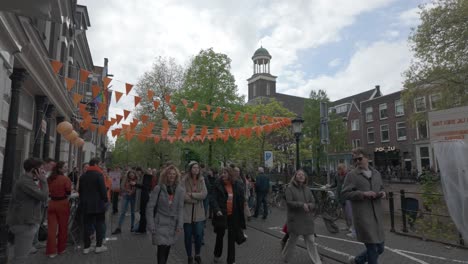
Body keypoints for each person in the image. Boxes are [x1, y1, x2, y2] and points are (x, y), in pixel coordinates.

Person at [342, 148, 386, 264]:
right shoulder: (352, 175)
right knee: (372, 249)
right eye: (355, 160)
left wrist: (383, 193)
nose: (357, 161)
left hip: (377, 217)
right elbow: (345, 193)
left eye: (359, 158)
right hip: (363, 217)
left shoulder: (376, 173)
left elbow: (381, 187)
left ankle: (357, 261)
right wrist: (363, 194)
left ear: (367, 158)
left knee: (380, 248)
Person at [7, 158, 49, 264]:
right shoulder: (25, 182)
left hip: (26, 222)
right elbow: (43, 196)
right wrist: (43, 181)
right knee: (21, 257)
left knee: (22, 254)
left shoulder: (28, 181)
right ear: (34, 170)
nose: (43, 171)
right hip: (24, 223)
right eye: (41, 169)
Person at [146, 165, 185, 264]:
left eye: (174, 174)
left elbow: (180, 208)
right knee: (161, 249)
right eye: (169, 174)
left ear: (176, 176)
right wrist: (151, 224)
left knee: (167, 249)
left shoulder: (180, 190)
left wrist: (180, 224)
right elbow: (150, 207)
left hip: (172, 224)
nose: (172, 176)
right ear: (165, 175)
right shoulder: (158, 188)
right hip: (160, 223)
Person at [282, 169, 322, 264]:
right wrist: (301, 204)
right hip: (295, 220)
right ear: (295, 176)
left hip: (307, 220)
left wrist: (310, 206)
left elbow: (313, 202)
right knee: (292, 242)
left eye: (303, 175)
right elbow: (289, 202)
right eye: (299, 174)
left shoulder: (307, 189)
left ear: (305, 178)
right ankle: (285, 258)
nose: (301, 176)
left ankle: (317, 261)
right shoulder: (290, 188)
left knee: (311, 241)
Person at [211, 167, 246, 264]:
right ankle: (217, 254)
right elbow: (213, 198)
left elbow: (241, 199)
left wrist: (242, 211)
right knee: (220, 235)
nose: (223, 174)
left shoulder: (237, 184)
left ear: (230, 174)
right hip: (222, 214)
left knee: (231, 238)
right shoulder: (217, 184)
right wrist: (217, 209)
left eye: (225, 173)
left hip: (233, 215)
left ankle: (231, 260)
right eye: (222, 173)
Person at [78, 157, 108, 254]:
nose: (101, 166)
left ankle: (86, 247)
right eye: (100, 164)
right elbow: (103, 191)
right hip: (98, 205)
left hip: (86, 205)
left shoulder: (83, 176)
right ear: (95, 164)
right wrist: (105, 200)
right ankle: (98, 246)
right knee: (99, 224)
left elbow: (80, 191)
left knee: (87, 226)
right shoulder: (99, 175)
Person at [182, 161, 207, 264]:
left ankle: (197, 254)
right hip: (187, 212)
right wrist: (197, 198)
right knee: (187, 236)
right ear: (190, 169)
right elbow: (183, 196)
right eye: (194, 168)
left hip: (199, 213)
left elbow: (204, 194)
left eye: (197, 168)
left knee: (198, 235)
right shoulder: (184, 180)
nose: (196, 169)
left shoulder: (202, 180)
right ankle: (189, 256)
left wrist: (192, 195)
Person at [46, 161, 72, 258]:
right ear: (60, 169)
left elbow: (46, 190)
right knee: (63, 227)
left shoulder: (50, 179)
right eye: (65, 167)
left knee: (51, 228)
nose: (67, 168)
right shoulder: (66, 179)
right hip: (62, 204)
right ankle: (61, 248)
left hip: (52, 203)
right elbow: (68, 192)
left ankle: (51, 251)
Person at [112, 170, 138, 234]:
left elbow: (137, 188)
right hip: (126, 196)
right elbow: (122, 186)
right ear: (128, 175)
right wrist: (127, 191)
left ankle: (132, 227)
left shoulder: (137, 180)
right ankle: (119, 228)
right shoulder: (125, 179)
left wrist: (132, 192)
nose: (131, 175)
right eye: (130, 174)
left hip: (133, 197)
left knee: (133, 213)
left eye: (133, 174)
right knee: (123, 212)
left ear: (135, 175)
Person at [135, 167, 154, 234]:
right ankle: (142, 228)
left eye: (138, 172)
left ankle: (142, 229)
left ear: (141, 171)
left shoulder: (147, 177)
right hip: (143, 196)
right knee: (142, 213)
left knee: (143, 213)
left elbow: (145, 187)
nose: (137, 173)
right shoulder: (143, 177)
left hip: (144, 197)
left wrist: (135, 184)